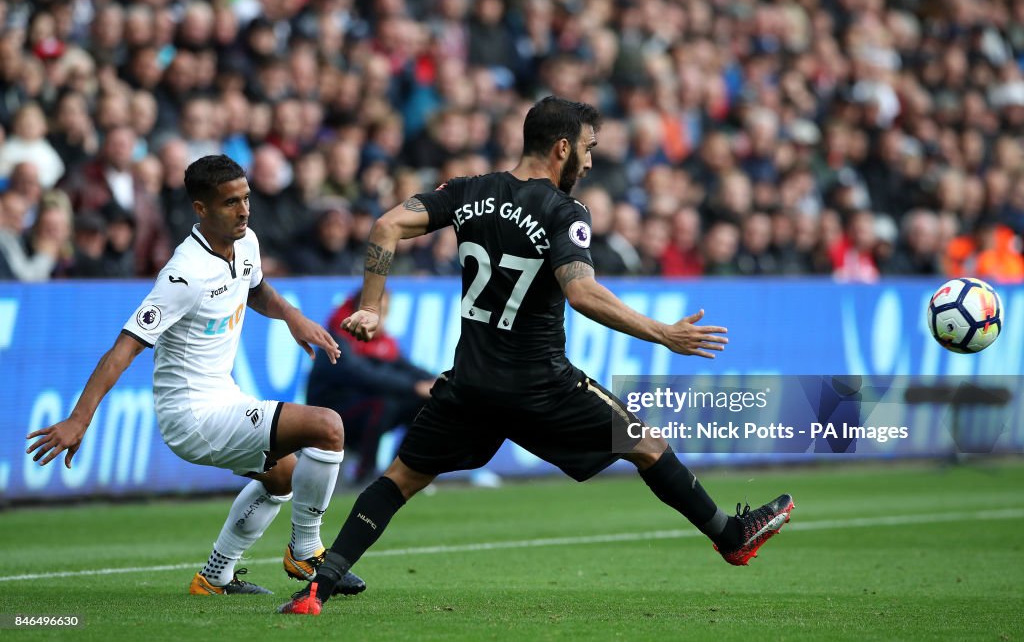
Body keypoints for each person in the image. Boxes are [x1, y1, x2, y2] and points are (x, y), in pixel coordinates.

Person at [280, 97, 794, 615]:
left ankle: (318, 587)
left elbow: (386, 226)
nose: (590, 163)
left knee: (400, 480)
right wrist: (663, 333)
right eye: (588, 149)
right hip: (541, 385)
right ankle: (730, 536)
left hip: (472, 385)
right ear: (562, 147)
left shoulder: (467, 191)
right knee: (645, 444)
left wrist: (370, 306)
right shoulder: (563, 212)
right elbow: (582, 293)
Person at [27, 155, 366, 597]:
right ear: (201, 209)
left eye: (246, 198)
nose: (243, 210)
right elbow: (124, 347)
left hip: (225, 397)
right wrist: (79, 418)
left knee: (283, 475)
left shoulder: (246, 243)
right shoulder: (183, 274)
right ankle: (306, 550)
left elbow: (256, 286)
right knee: (327, 427)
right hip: (192, 417)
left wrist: (291, 316)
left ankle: (215, 577)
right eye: (230, 203)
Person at [306, 288, 435, 484]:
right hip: (331, 412)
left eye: (386, 311)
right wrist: (414, 386)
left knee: (423, 402)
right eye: (379, 311)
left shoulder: (382, 342)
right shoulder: (337, 338)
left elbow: (406, 367)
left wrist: (438, 382)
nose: (383, 318)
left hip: (362, 408)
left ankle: (402, 471)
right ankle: (365, 474)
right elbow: (363, 375)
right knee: (382, 404)